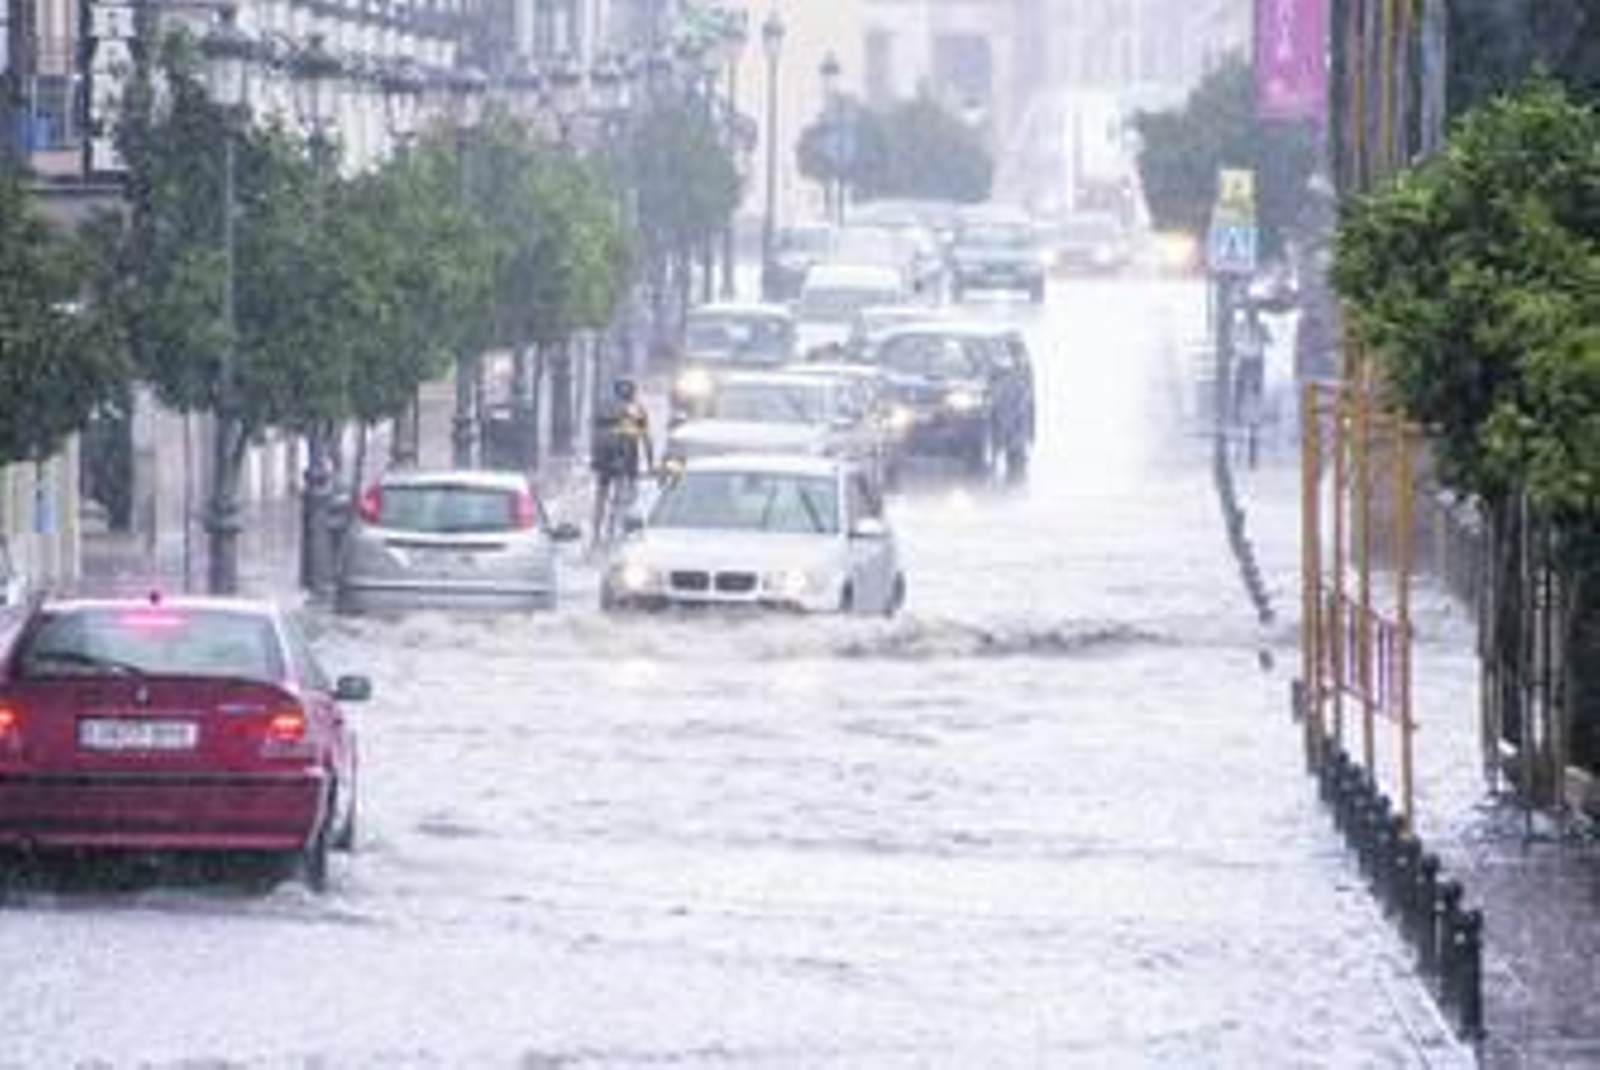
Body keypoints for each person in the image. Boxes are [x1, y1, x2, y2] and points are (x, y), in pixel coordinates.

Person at [591, 377, 655, 546]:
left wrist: (594, 458)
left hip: (604, 457)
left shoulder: (604, 406)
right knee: (628, 494)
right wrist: (650, 463)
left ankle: (596, 533)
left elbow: (596, 433)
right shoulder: (636, 409)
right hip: (627, 457)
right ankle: (619, 529)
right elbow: (646, 438)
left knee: (602, 494)